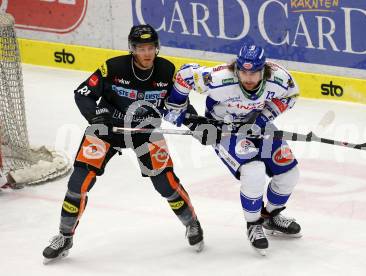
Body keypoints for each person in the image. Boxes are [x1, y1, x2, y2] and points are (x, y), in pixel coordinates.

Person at [42, 24, 204, 263]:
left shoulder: (167, 71)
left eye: (150, 48)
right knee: (78, 183)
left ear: (157, 48)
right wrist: (96, 117)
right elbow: (82, 93)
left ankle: (192, 223)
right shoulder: (112, 67)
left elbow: (179, 106)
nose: (147, 53)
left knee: (165, 184)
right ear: (132, 49)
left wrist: (197, 124)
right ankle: (64, 236)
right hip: (107, 130)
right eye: (141, 48)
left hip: (145, 132)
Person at [164, 45, 301, 255]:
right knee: (253, 170)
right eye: (243, 72)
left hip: (257, 125)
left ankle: (270, 217)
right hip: (224, 129)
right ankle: (253, 224)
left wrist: (263, 118)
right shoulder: (220, 79)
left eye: (253, 73)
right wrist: (177, 108)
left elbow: (291, 95)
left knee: (289, 173)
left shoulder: (279, 78)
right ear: (236, 69)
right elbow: (185, 74)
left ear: (263, 71)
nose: (247, 78)